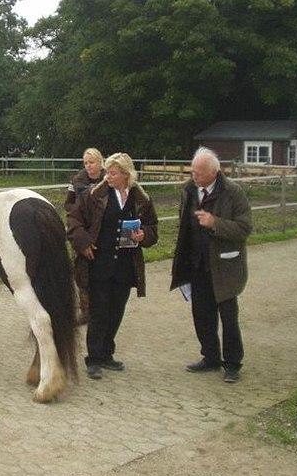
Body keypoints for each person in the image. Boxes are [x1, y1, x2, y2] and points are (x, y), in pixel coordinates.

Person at [67, 153, 158, 379]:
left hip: (126, 266)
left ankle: (107, 353)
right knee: (98, 311)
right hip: (99, 263)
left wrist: (143, 234)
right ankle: (94, 358)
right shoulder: (93, 196)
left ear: (126, 175)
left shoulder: (141, 199)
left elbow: (153, 227)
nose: (108, 177)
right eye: (107, 172)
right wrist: (84, 243)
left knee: (116, 310)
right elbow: (73, 221)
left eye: (113, 173)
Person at [170, 147, 251, 383]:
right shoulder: (189, 191)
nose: (194, 176)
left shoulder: (233, 193)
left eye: (199, 173)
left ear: (214, 172)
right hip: (198, 265)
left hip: (225, 267)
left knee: (228, 317)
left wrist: (215, 222)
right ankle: (210, 357)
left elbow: (244, 228)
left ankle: (233, 363)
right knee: (202, 315)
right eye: (192, 171)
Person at [64, 148, 105, 325]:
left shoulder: (108, 178)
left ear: (100, 162)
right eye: (86, 163)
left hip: (103, 231)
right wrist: (80, 217)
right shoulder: (77, 180)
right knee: (81, 271)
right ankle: (86, 310)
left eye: (92, 162)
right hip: (81, 230)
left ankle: (103, 307)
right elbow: (68, 204)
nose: (88, 166)